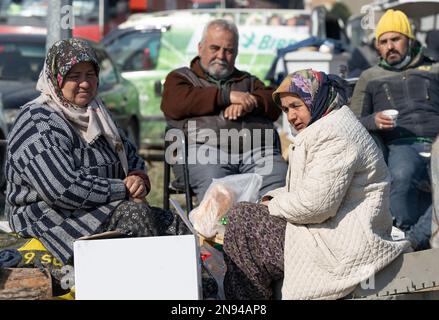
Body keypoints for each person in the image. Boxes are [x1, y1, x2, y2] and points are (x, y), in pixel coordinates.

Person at [223, 69, 409, 300]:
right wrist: (271, 200)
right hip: (329, 232)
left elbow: (316, 205)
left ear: (316, 99)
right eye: (286, 109)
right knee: (245, 217)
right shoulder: (326, 126)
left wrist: (273, 205)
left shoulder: (335, 135)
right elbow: (309, 190)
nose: (290, 116)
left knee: (244, 222)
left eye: (296, 106)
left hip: (342, 244)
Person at [5, 38, 172, 266]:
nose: (84, 83)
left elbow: (132, 157)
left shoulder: (98, 113)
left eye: (90, 75)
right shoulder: (37, 122)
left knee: (173, 224)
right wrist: (122, 189)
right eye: (74, 76)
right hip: (49, 215)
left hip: (101, 206)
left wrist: (137, 179)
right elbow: (62, 189)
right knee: (136, 217)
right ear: (56, 79)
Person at [161, 19, 288, 200]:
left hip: (257, 152)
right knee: (218, 190)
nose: (221, 55)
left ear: (236, 54)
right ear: (200, 48)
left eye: (228, 51)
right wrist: (227, 96)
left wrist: (249, 102)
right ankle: (222, 228)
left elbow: (275, 101)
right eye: (215, 48)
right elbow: (174, 103)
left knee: (278, 178)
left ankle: (268, 225)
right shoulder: (181, 78)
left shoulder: (248, 81)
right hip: (204, 151)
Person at [350, 10, 439, 248]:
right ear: (377, 46)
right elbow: (352, 121)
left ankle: (413, 239)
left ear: (409, 40)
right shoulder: (369, 77)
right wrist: (373, 121)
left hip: (437, 140)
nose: (389, 46)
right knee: (401, 176)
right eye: (383, 41)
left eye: (395, 39)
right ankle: (409, 236)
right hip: (401, 143)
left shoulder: (434, 69)